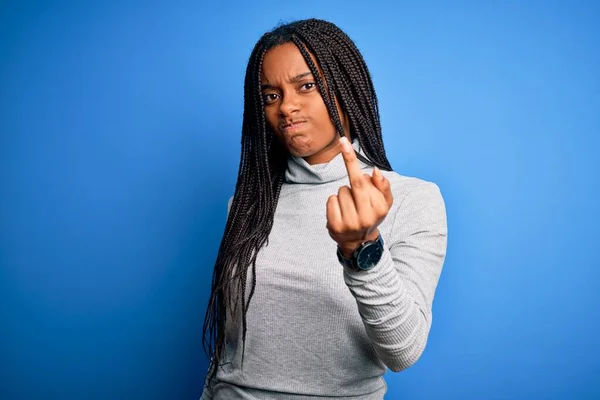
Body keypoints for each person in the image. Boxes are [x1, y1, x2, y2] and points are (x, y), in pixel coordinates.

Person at [200, 18, 447, 399]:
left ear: (345, 87)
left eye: (306, 86)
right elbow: (229, 357)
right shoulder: (249, 202)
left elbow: (403, 351)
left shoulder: (412, 200)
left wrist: (362, 249)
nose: (287, 107)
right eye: (271, 95)